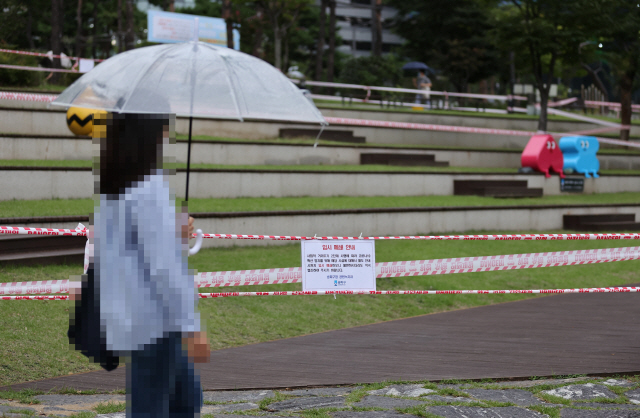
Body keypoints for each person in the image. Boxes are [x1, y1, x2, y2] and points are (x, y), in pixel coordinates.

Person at [70, 111, 209, 418]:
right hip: (154, 319)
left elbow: (130, 244)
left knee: (185, 398)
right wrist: (192, 326)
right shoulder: (148, 186)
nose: (167, 136)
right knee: (158, 405)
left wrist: (172, 231)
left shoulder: (116, 181)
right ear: (151, 133)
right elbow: (163, 267)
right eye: (164, 128)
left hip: (131, 314)